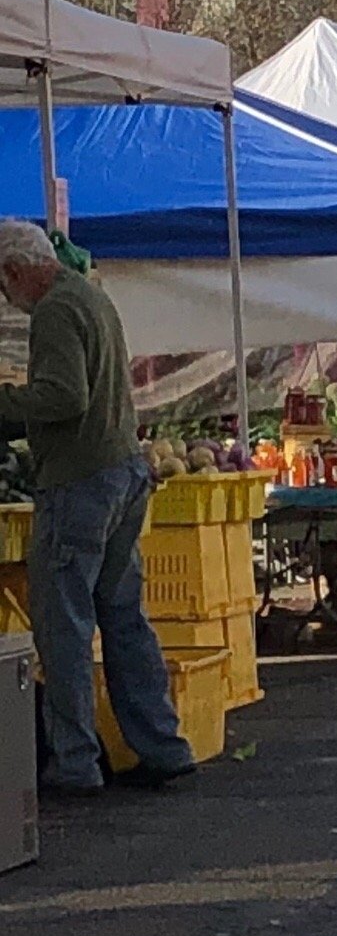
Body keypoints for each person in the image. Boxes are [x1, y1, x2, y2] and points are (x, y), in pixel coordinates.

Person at [0, 220, 193, 797]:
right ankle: (162, 746)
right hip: (122, 471)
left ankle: (76, 763)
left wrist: (6, 401)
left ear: (14, 272)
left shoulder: (55, 312)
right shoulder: (91, 293)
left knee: (63, 629)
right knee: (124, 618)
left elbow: (64, 395)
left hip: (79, 481)